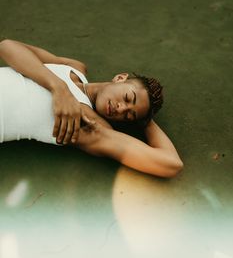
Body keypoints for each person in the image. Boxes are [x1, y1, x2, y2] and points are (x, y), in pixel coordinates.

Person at [0, 39, 183, 178]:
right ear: (120, 78)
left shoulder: (90, 125)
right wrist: (59, 88)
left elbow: (171, 164)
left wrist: (145, 121)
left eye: (128, 115)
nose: (121, 109)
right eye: (128, 98)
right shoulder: (75, 68)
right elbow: (7, 46)